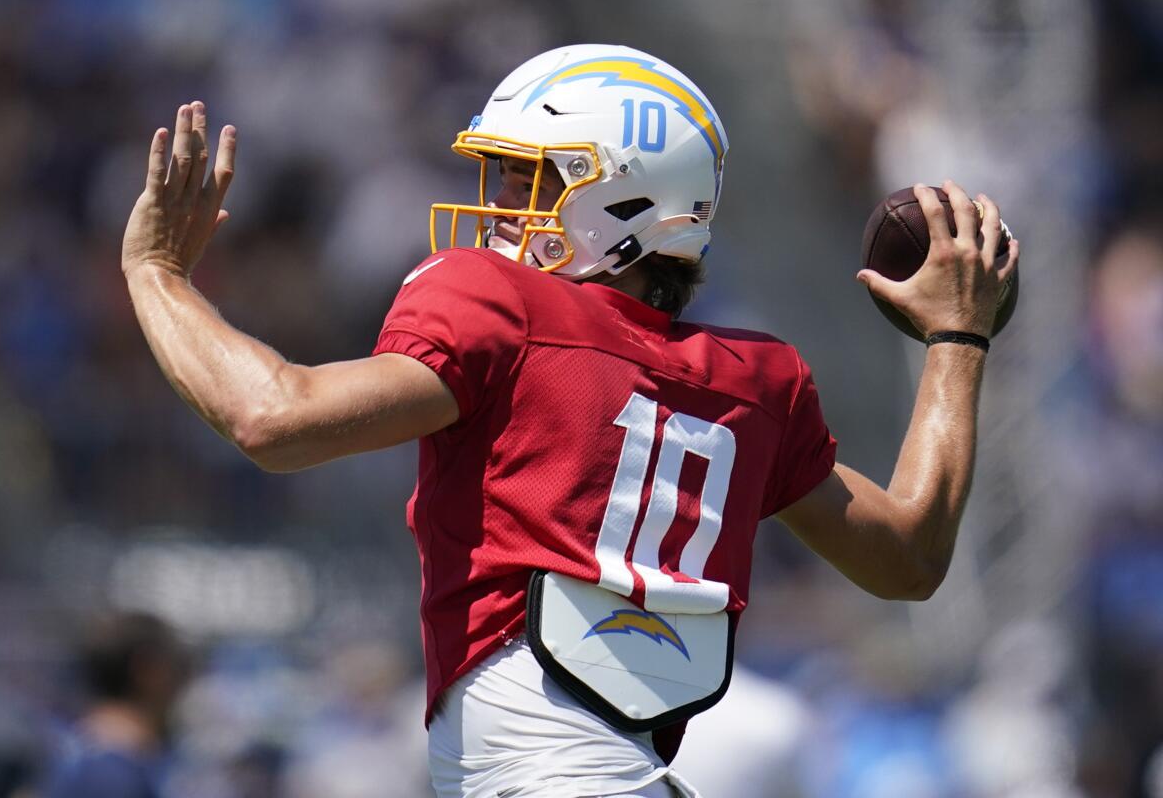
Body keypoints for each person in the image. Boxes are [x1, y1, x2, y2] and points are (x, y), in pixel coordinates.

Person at [119, 43, 1018, 798]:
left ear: (626, 195)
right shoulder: (754, 381)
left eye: (530, 180)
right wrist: (957, 338)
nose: (503, 205)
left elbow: (274, 417)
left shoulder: (498, 306)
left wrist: (158, 272)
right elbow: (908, 555)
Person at [44, 612, 190, 798]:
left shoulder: (81, 752)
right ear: (147, 668)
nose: (185, 678)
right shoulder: (109, 773)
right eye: (179, 663)